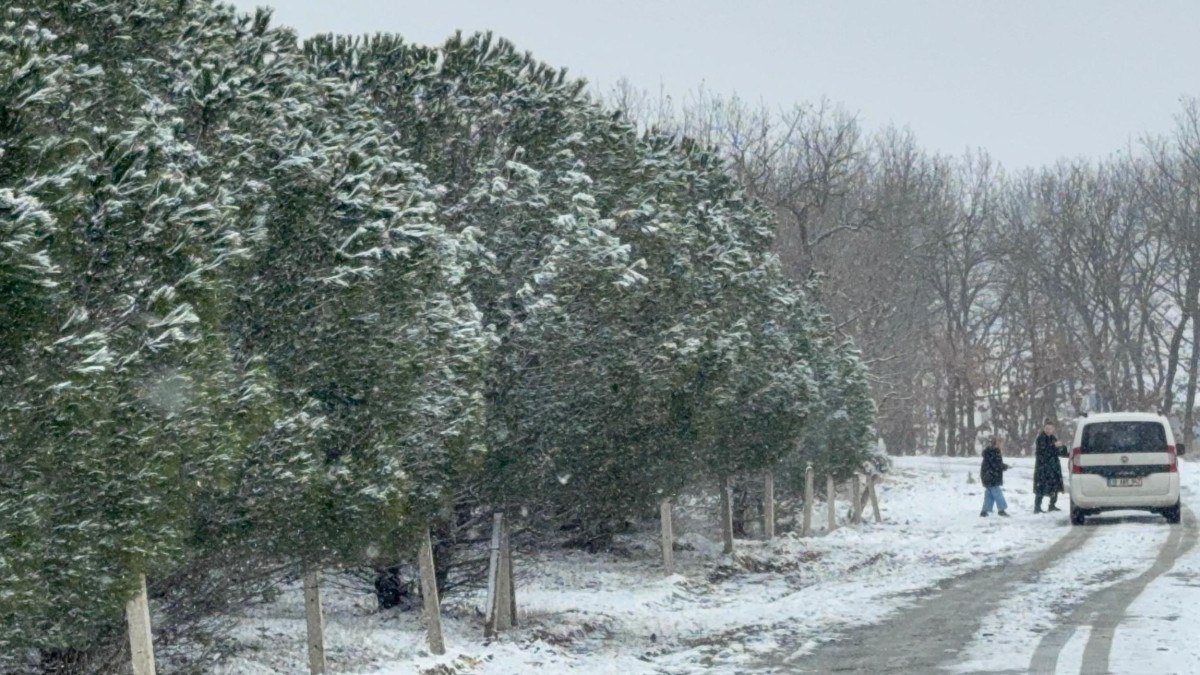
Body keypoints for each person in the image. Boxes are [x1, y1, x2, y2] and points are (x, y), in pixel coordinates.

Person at [1034, 418, 1069, 513]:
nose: (1048, 430)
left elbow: (1058, 451)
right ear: (1044, 428)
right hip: (1043, 467)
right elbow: (1043, 451)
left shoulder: (1053, 438)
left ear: (1053, 429)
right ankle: (1037, 507)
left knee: (1055, 486)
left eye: (1050, 428)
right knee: (1041, 487)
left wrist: (1064, 449)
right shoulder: (1041, 438)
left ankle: (1052, 505)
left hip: (1053, 467)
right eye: (1047, 428)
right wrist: (1054, 446)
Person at [980, 436, 1011, 517]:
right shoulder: (994, 451)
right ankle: (1001, 510)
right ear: (997, 443)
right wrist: (1004, 466)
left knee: (989, 494)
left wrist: (1003, 466)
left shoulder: (990, 451)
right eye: (1002, 443)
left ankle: (984, 511)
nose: (1003, 445)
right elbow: (995, 464)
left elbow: (994, 464)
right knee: (997, 493)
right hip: (991, 476)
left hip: (988, 476)